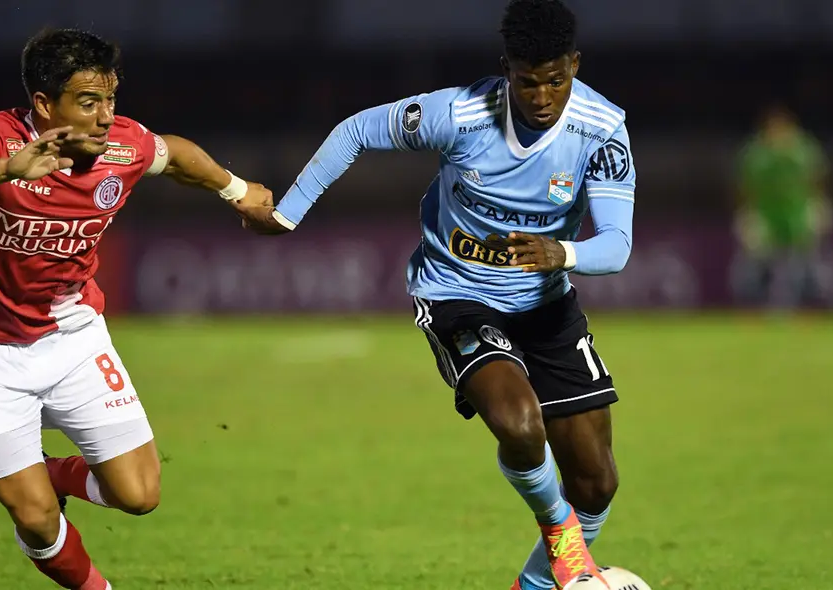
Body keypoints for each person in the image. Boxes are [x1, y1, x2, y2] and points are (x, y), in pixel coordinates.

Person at [242, 1, 633, 588]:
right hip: (456, 294)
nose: (542, 96)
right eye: (528, 81)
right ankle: (562, 538)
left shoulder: (601, 130)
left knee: (597, 483)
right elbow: (356, 131)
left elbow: (619, 245)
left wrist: (563, 254)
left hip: (546, 300)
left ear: (575, 66)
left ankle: (532, 584)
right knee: (520, 424)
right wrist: (290, 212)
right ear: (508, 69)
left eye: (556, 80)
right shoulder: (460, 113)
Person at [0, 28, 272, 590]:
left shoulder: (123, 146)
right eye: (88, 102)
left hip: (73, 340)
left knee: (139, 494)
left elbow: (175, 155)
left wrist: (236, 190)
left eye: (110, 100)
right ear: (45, 104)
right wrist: (7, 170)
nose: (104, 117)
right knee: (35, 519)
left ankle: (44, 473)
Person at [733, 103, 833, 309]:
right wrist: (747, 213)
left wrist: (819, 205)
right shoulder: (757, 154)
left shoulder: (803, 150)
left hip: (797, 214)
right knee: (755, 264)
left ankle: (809, 307)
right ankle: (751, 307)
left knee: (803, 264)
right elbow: (743, 186)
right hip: (766, 216)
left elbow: (818, 179)